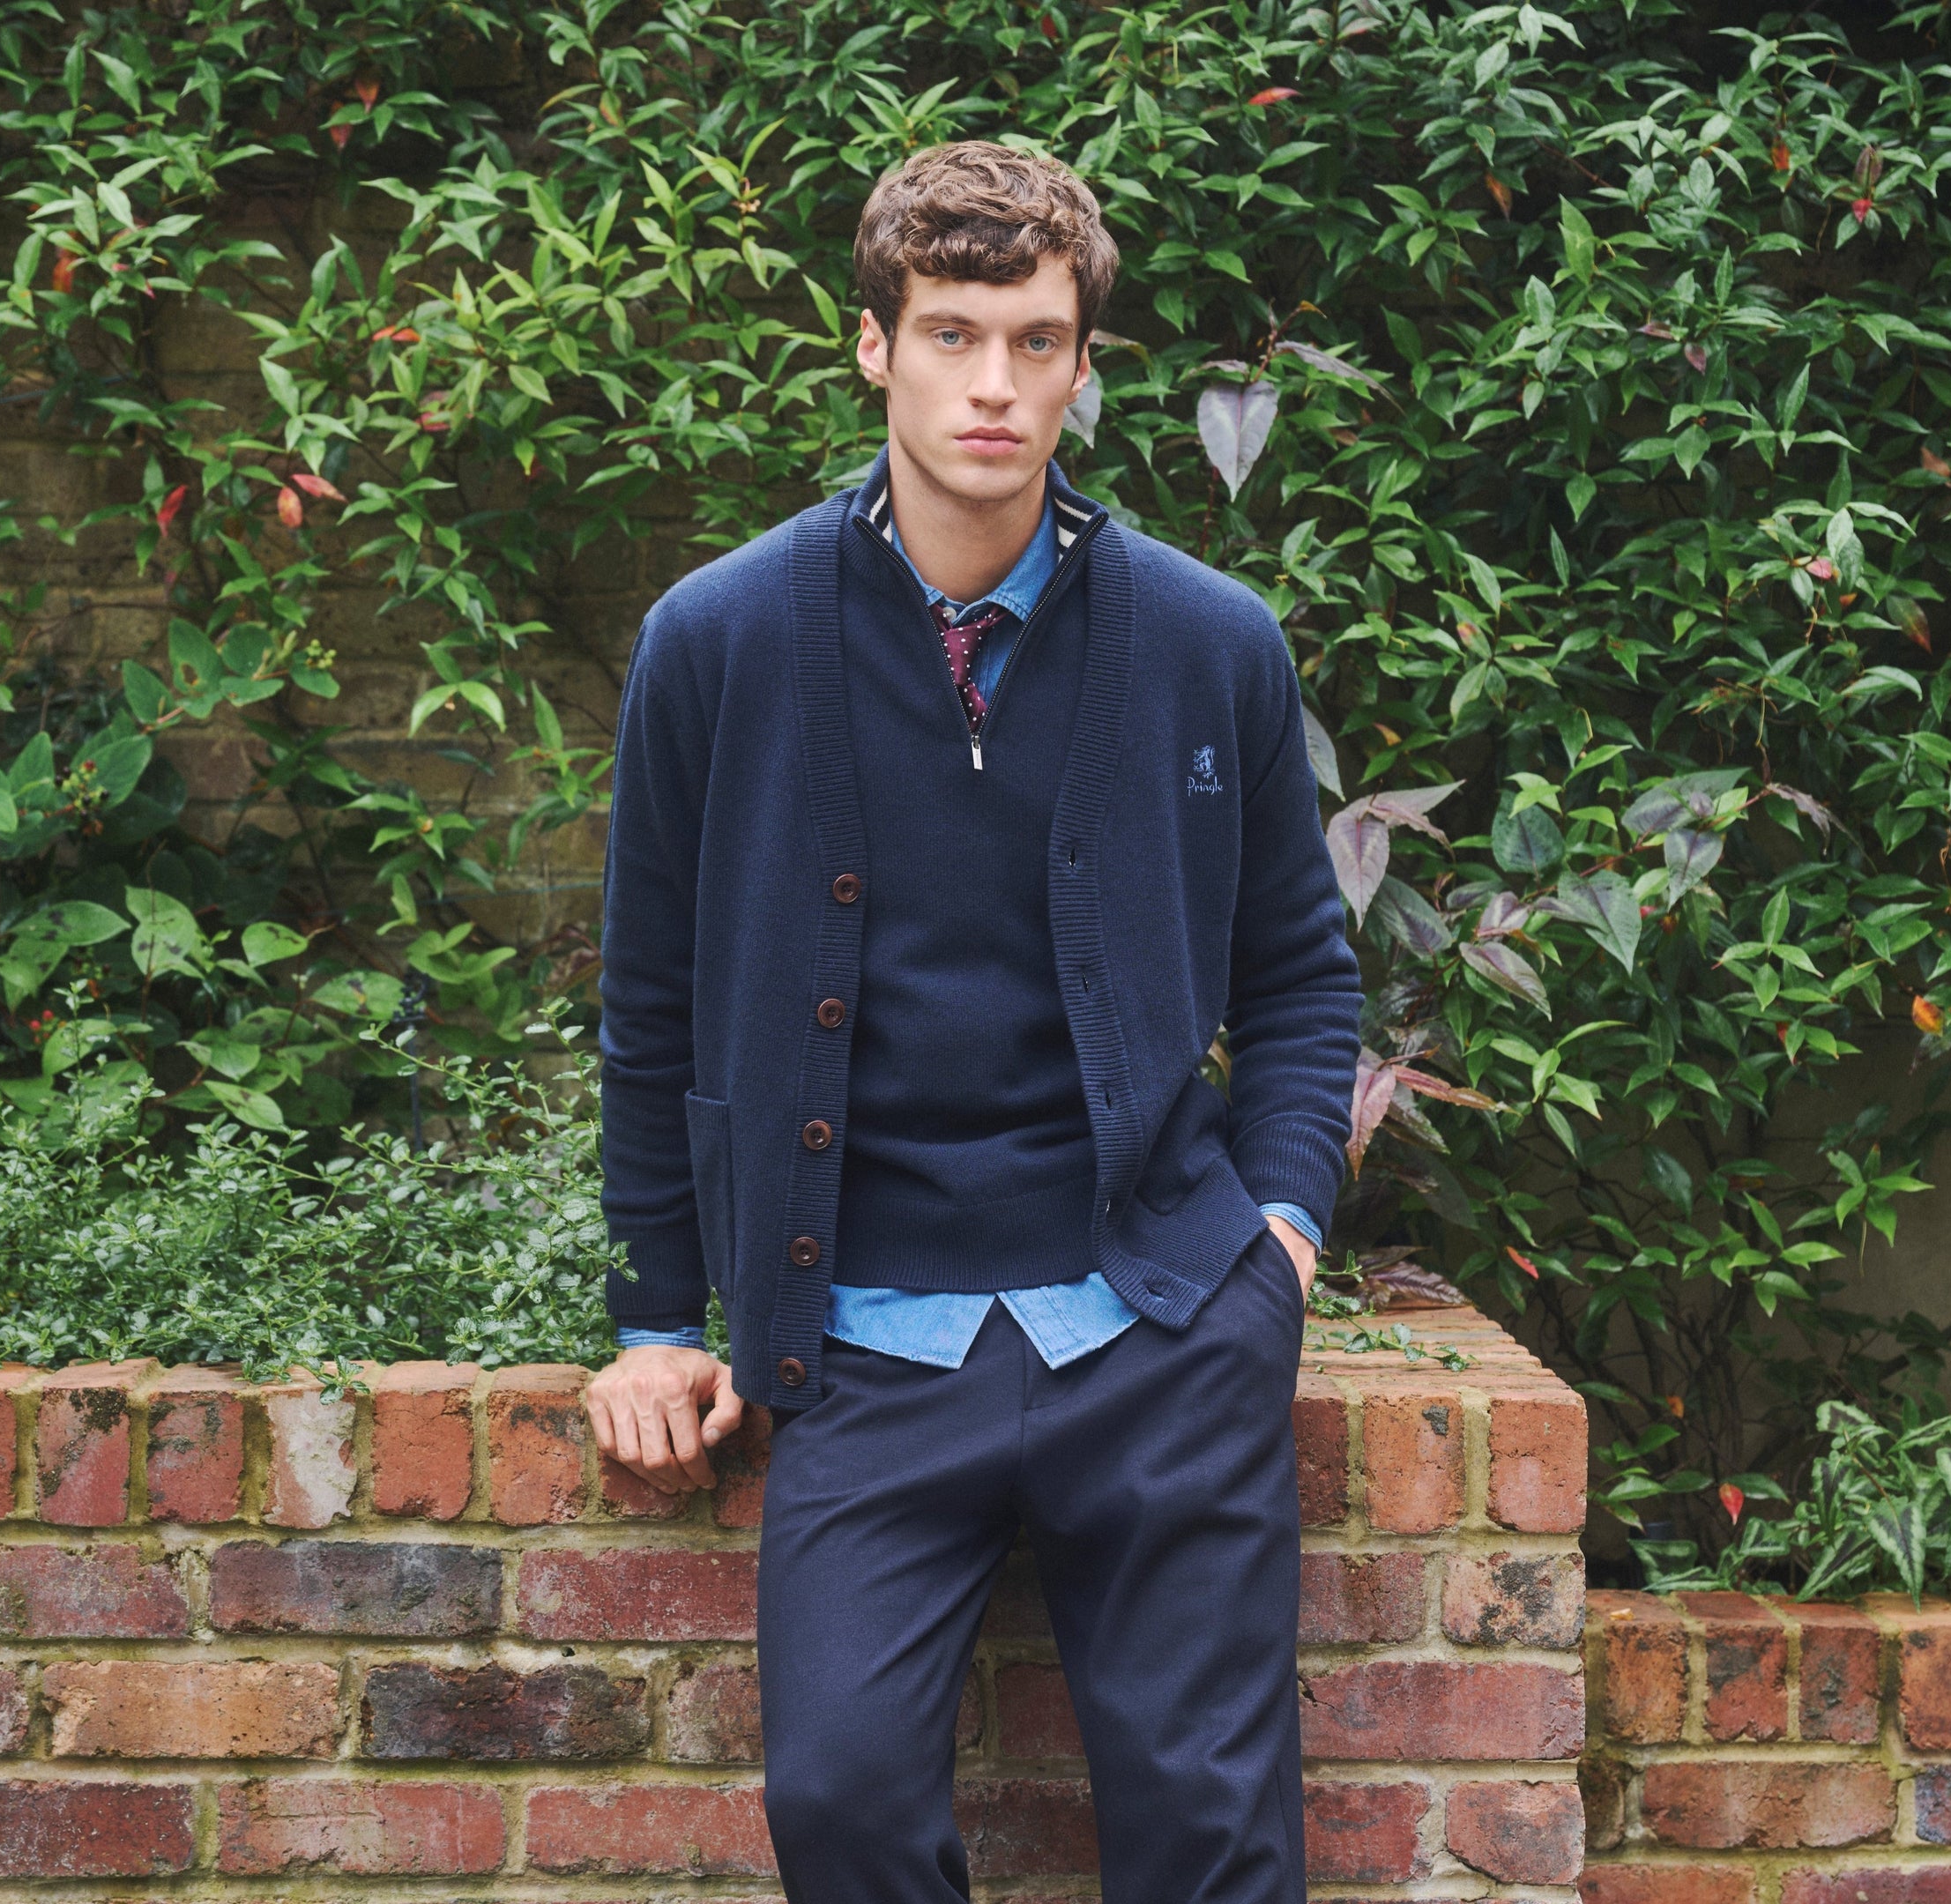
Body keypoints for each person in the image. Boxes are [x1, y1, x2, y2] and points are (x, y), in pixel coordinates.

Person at [580, 139, 1364, 1901]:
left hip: (1161, 1333)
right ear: (874, 348)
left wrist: (1283, 1239)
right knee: (840, 1804)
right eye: (950, 335)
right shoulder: (715, 641)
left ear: (1086, 363)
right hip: (862, 1345)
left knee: (1213, 1841)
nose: (992, 386)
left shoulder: (1208, 641)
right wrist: (651, 1316)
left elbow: (1303, 983)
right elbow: (648, 1003)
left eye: (1033, 340)